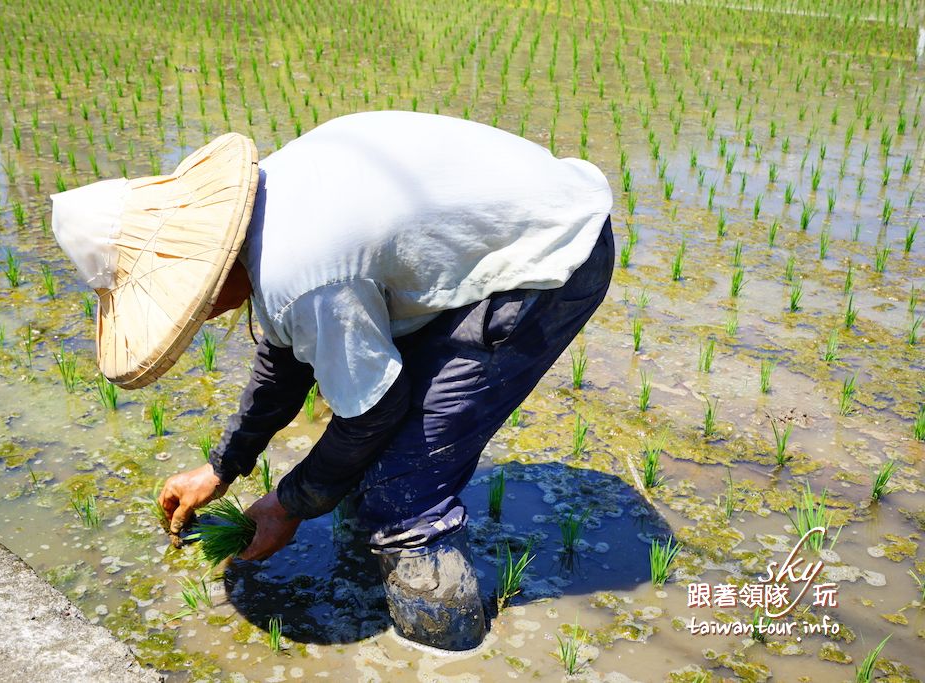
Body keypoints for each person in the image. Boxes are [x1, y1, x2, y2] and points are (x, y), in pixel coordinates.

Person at [51, 111, 614, 652]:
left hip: (554, 254)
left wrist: (285, 505)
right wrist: (223, 465)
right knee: (367, 435)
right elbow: (284, 362)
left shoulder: (299, 271)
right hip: (510, 223)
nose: (199, 316)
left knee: (402, 491)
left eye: (186, 301)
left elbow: (374, 411)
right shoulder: (266, 210)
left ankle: (446, 645)